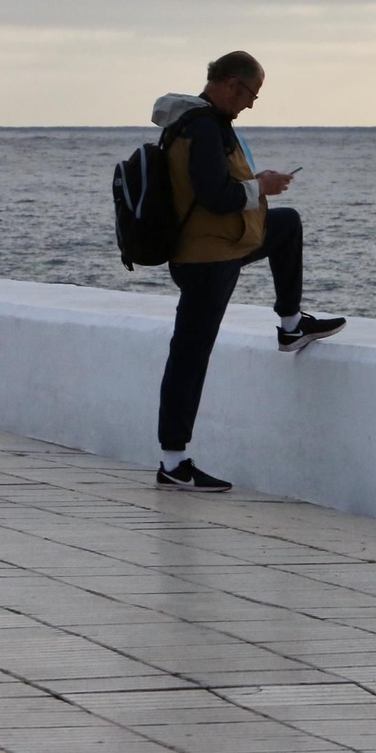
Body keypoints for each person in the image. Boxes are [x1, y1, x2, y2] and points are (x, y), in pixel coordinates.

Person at [152, 51, 345, 493]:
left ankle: (292, 325)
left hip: (220, 246)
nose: (252, 104)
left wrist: (258, 184)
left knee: (286, 223)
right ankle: (174, 461)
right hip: (207, 259)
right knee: (189, 357)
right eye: (251, 94)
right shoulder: (203, 127)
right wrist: (261, 186)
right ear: (231, 85)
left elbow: (213, 189)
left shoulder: (195, 122)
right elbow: (214, 196)